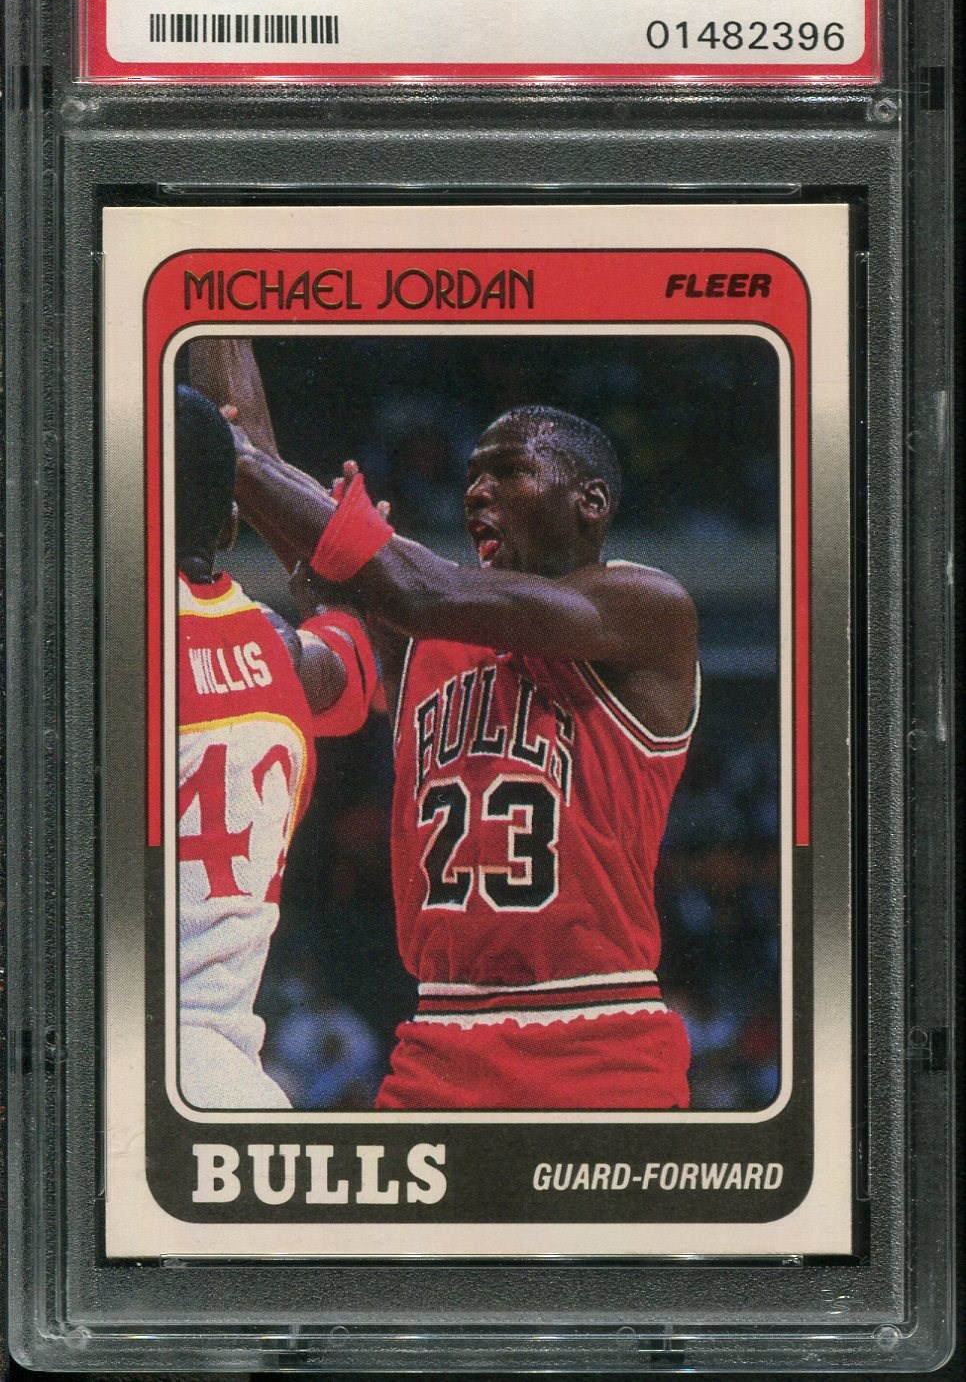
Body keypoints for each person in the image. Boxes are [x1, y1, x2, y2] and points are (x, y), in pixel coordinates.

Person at [210, 348, 699, 1110]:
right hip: (439, 1043)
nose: (478, 490)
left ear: (591, 502)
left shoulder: (645, 607)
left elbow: (414, 586)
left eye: (510, 471)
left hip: (596, 1041)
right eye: (473, 475)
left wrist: (243, 462)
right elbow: (270, 483)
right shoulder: (422, 632)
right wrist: (216, 319)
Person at [175, 385, 378, 1109]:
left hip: (109, 1067)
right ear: (230, 527)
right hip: (230, 1080)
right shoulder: (279, 646)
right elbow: (353, 649)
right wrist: (319, 525)